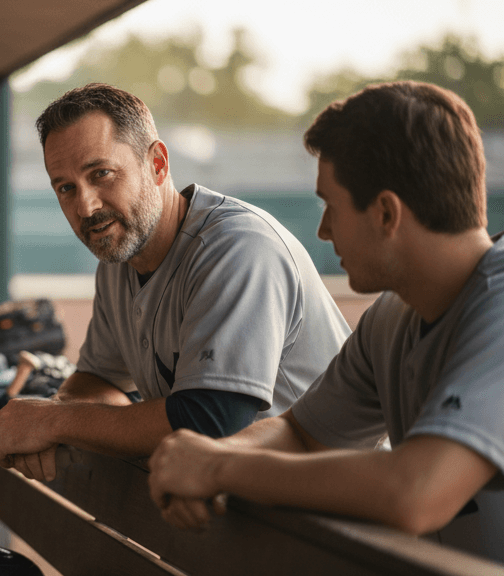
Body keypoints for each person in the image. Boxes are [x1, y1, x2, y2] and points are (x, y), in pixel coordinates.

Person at [147, 80, 504, 563]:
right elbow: (302, 434)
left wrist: (218, 470)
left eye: (329, 207)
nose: (322, 229)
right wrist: (203, 461)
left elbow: (416, 493)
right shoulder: (393, 315)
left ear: (385, 213)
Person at [0, 83, 350, 482]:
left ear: (158, 164)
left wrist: (53, 423)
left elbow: (213, 421)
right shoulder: (119, 259)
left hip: (341, 511)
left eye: (102, 174)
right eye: (65, 188)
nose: (85, 206)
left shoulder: (238, 248)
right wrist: (54, 419)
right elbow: (99, 380)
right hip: (233, 501)